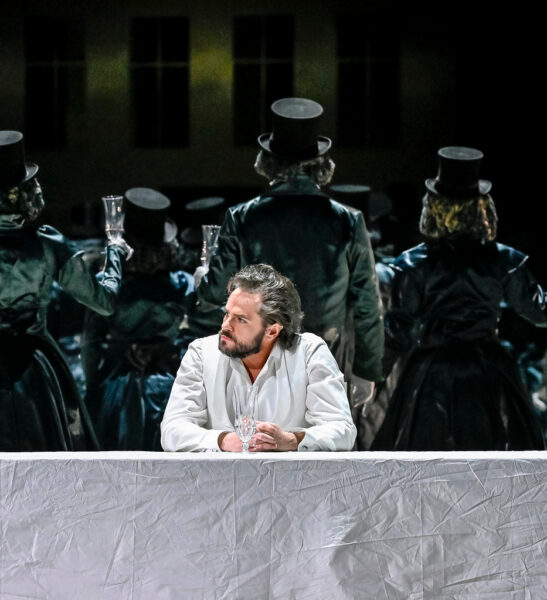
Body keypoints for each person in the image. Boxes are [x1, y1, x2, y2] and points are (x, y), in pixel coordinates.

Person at [196, 97, 384, 402]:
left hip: (258, 364)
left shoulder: (242, 217)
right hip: (327, 362)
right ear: (320, 164)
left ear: (268, 161)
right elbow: (367, 304)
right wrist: (366, 369)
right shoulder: (347, 221)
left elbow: (214, 293)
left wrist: (200, 277)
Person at [371, 146, 546, 451]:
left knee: (426, 460)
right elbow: (539, 312)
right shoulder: (503, 260)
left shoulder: (413, 263)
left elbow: (397, 331)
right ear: (482, 208)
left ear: (433, 207)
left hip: (432, 374)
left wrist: (373, 377)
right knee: (494, 459)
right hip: (487, 372)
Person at [0, 130, 131, 451]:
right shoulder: (48, 243)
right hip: (32, 369)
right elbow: (103, 302)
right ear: (28, 194)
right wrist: (115, 251)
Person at [161, 264, 356, 452]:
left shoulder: (309, 353)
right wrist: (224, 440)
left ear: (272, 331)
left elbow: (342, 429)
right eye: (227, 314)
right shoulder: (201, 353)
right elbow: (173, 429)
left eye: (240, 319)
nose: (225, 326)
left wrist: (291, 440)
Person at [82, 188, 194, 450]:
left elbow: (91, 344)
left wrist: (92, 389)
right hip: (168, 381)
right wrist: (169, 348)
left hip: (117, 381)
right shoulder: (183, 284)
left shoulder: (106, 286)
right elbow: (198, 334)